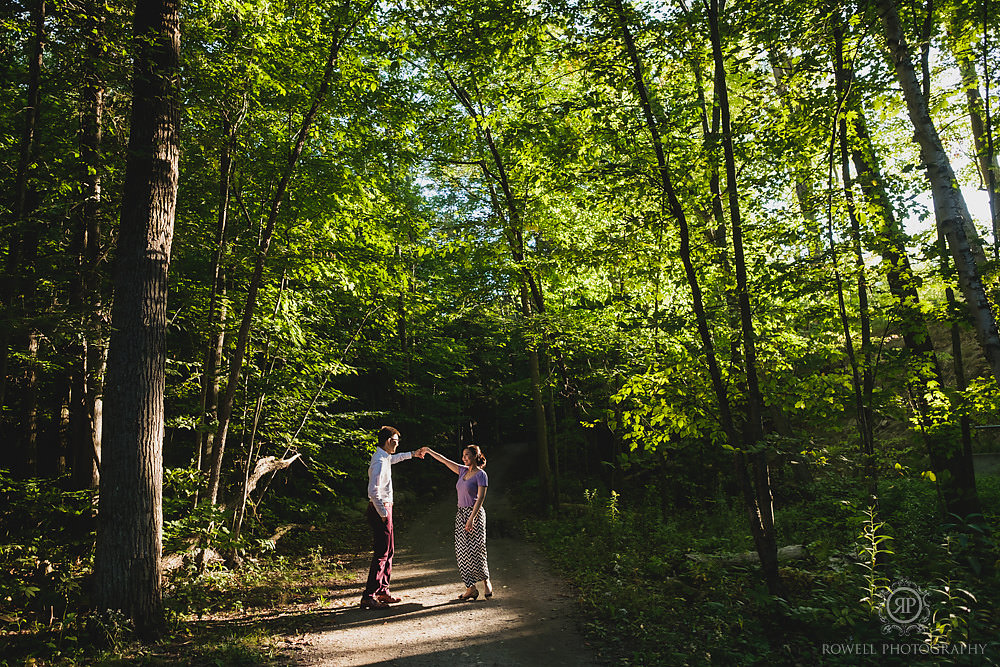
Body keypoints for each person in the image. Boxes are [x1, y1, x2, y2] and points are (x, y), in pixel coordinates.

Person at [360, 426, 426, 609]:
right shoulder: (379, 462)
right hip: (380, 510)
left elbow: (395, 458)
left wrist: (413, 454)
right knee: (382, 554)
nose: (397, 445)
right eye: (395, 442)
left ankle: (382, 591)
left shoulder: (384, 457)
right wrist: (383, 513)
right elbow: (372, 491)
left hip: (384, 509)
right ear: (388, 441)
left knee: (389, 551)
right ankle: (369, 595)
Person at [423, 444, 493, 601]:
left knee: (477, 549)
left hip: (475, 514)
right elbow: (444, 460)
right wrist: (429, 450)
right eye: (463, 455)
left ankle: (486, 581)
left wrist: (471, 518)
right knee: (462, 552)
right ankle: (470, 588)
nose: (464, 458)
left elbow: (480, 498)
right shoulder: (462, 471)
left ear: (475, 456)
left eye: (467, 455)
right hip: (461, 514)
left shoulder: (481, 474)